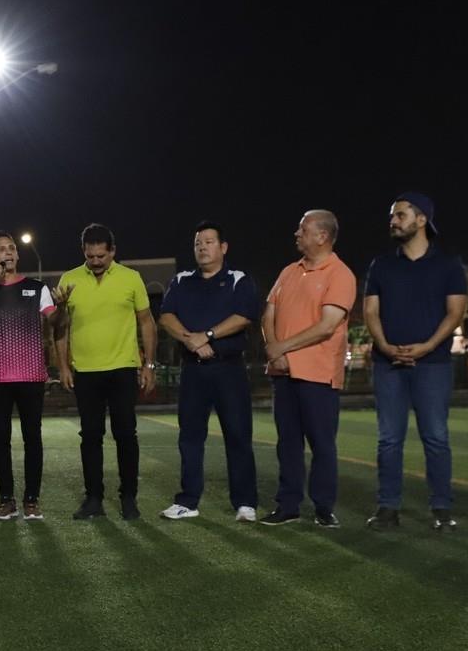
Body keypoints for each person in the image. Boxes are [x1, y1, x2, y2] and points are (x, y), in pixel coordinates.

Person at [364, 193, 468, 531]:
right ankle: (388, 508)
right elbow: (370, 311)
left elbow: (456, 313)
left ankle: (441, 509)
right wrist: (385, 346)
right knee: (389, 439)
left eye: (400, 215)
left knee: (436, 437)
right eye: (392, 215)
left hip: (433, 364)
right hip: (388, 364)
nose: (393, 221)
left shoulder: (449, 265)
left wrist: (426, 347)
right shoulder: (381, 265)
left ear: (421, 220)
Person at [157, 221, 260, 522]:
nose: (202, 247)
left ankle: (245, 503)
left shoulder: (239, 279)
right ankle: (188, 501)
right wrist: (191, 340)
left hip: (229, 369)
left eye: (209, 241)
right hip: (194, 370)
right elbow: (166, 316)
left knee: (238, 436)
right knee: (190, 437)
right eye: (198, 242)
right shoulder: (182, 280)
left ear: (223, 247)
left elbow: (244, 317)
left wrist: (209, 335)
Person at [259, 210, 357, 528]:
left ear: (322, 236)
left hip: (318, 373)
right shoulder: (289, 271)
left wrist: (282, 348)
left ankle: (323, 507)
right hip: (283, 372)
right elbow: (268, 314)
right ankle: (288, 505)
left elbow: (327, 326)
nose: (296, 233)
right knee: (287, 442)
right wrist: (275, 353)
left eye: (303, 229)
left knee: (321, 444)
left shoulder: (340, 274)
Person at [54, 223, 158, 520]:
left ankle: (129, 498)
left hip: (124, 368)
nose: (96, 261)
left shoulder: (131, 278)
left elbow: (147, 323)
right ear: (83, 252)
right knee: (90, 436)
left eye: (102, 256)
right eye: (90, 256)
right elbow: (60, 328)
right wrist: (63, 366)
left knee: (126, 434)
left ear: (113, 251)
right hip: (86, 372)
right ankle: (94, 500)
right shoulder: (69, 279)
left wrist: (148, 364)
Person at [0, 231, 59, 520]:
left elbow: (55, 320)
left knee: (33, 437)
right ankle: (7, 499)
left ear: (17, 255)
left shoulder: (37, 287)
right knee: (0, 440)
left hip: (30, 374)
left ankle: (32, 499)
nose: (8, 253)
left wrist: (64, 306)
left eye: (12, 248)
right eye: (1, 250)